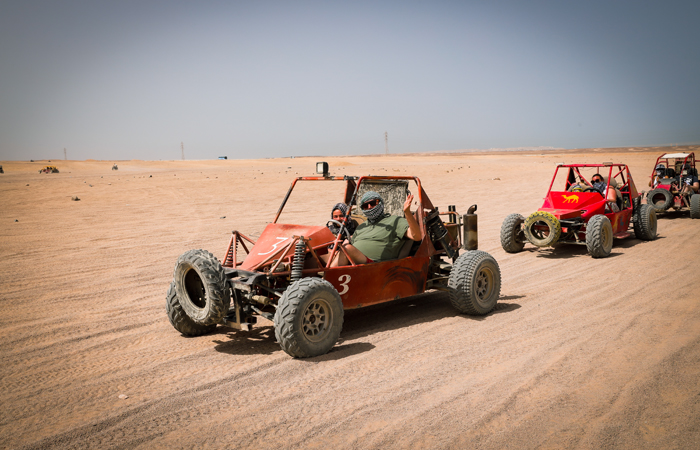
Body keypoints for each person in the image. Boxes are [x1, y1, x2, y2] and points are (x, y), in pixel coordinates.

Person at [329, 191, 421, 267]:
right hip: (352, 261)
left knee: (347, 248)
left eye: (373, 203)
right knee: (320, 252)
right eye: (365, 206)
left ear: (380, 203)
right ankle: (323, 277)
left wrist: (407, 212)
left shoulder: (395, 221)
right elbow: (351, 241)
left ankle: (326, 279)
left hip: (373, 265)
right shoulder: (362, 226)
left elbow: (416, 236)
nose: (369, 207)